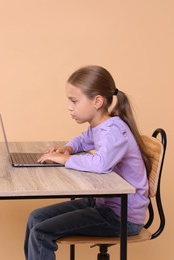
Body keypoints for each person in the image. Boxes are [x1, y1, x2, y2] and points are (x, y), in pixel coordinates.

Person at [24, 65, 152, 260]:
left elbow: (101, 164)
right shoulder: (101, 126)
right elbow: (83, 140)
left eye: (74, 101)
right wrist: (68, 149)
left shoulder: (113, 131)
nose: (69, 107)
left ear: (97, 101)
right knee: (36, 217)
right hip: (104, 204)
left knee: (41, 233)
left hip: (121, 216)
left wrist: (66, 160)